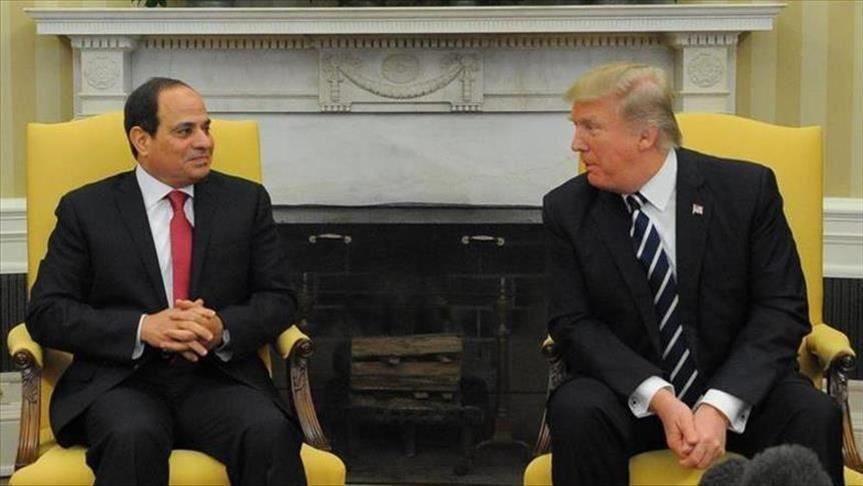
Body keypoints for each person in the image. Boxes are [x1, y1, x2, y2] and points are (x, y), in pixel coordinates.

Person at [543, 63, 843, 485]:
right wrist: (660, 397)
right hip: (629, 395)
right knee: (576, 410)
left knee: (813, 412)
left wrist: (719, 404)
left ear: (645, 136)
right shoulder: (567, 209)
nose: (577, 144)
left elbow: (782, 308)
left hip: (739, 390)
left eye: (590, 127)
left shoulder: (746, 191)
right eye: (576, 127)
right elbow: (573, 322)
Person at [26, 77, 306, 486]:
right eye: (185, 131)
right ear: (141, 139)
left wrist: (221, 327)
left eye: (206, 128)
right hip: (122, 382)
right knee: (132, 438)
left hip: (217, 379)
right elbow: (47, 312)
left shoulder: (245, 202)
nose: (204, 142)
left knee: (269, 432)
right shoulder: (86, 209)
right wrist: (143, 327)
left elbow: (280, 298)